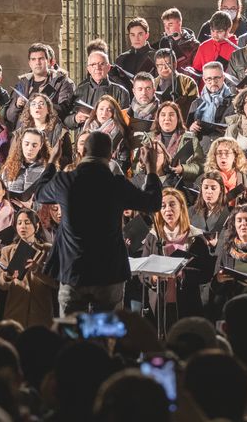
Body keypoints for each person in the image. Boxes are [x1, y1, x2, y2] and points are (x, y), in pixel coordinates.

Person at [37, 130, 163, 314]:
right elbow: (153, 203)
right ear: (111, 155)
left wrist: (52, 162)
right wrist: (151, 168)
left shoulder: (65, 181)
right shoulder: (117, 184)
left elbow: (40, 193)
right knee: (106, 335)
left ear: (83, 152)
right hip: (109, 271)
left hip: (73, 269)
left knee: (72, 334)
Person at [138, 188, 212, 333]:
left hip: (188, 303)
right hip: (160, 305)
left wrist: (183, 275)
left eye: (172, 204)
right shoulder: (153, 237)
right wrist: (153, 278)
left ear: (181, 207)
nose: (167, 209)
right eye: (163, 206)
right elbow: (142, 271)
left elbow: (206, 272)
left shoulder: (195, 237)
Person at [0, 208, 57, 329]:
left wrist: (37, 270)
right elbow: (1, 284)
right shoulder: (7, 251)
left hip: (41, 313)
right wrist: (7, 276)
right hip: (15, 313)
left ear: (37, 225)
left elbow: (56, 283)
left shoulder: (48, 249)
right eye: (19, 223)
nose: (22, 226)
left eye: (27, 222)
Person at [4, 42, 76, 127]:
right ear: (29, 63)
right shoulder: (22, 83)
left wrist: (43, 105)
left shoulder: (61, 83)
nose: (37, 62)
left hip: (50, 133)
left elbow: (64, 111)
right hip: (25, 134)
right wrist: (17, 105)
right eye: (33, 59)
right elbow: (10, 117)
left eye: (41, 59)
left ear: (48, 61)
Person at [142, 100, 203, 187]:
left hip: (177, 186)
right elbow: (136, 166)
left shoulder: (190, 139)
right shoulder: (148, 138)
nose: (167, 118)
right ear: (158, 118)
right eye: (163, 115)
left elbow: (199, 166)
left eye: (171, 115)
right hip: (151, 184)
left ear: (178, 118)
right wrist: (142, 165)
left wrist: (183, 169)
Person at [65, 50, 130, 129]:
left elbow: (124, 122)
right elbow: (66, 121)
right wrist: (76, 118)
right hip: (86, 138)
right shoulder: (80, 90)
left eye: (101, 64)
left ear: (108, 67)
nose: (97, 68)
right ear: (88, 69)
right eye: (93, 64)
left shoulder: (121, 92)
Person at [0, 127, 53, 199]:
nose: (30, 148)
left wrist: (33, 206)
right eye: (26, 144)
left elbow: (50, 197)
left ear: (40, 146)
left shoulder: (47, 170)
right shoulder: (9, 167)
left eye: (34, 145)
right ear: (21, 142)